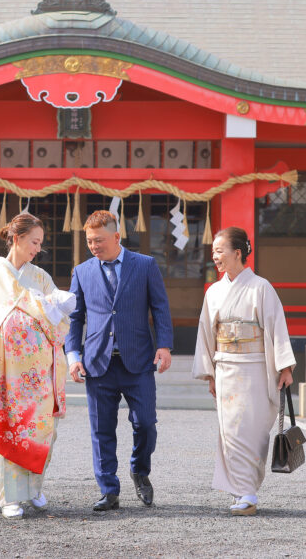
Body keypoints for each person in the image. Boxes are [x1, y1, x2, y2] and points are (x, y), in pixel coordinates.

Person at [0, 212, 75, 519]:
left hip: (39, 373)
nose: (37, 248)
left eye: (40, 243)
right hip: (7, 373)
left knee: (40, 430)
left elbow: (61, 318)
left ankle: (33, 489)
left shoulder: (41, 278)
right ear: (17, 238)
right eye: (34, 242)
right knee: (10, 427)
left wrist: (50, 308)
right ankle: (9, 497)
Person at [67, 209, 173, 511]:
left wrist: (164, 346)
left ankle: (140, 470)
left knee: (146, 424)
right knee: (101, 429)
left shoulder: (145, 265)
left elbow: (160, 307)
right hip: (97, 362)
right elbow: (75, 318)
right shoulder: (82, 271)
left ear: (116, 236)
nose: (94, 246)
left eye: (99, 240)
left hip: (137, 361)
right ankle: (109, 490)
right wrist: (73, 356)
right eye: (89, 241)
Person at [193, 226, 296, 516]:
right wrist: (210, 373)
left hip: (254, 369)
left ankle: (248, 492)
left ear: (238, 253)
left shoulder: (260, 287)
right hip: (225, 367)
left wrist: (284, 367)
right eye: (213, 251)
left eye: (219, 250)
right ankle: (243, 492)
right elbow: (206, 333)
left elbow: (276, 328)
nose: (215, 256)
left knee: (250, 431)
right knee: (230, 432)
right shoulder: (214, 291)